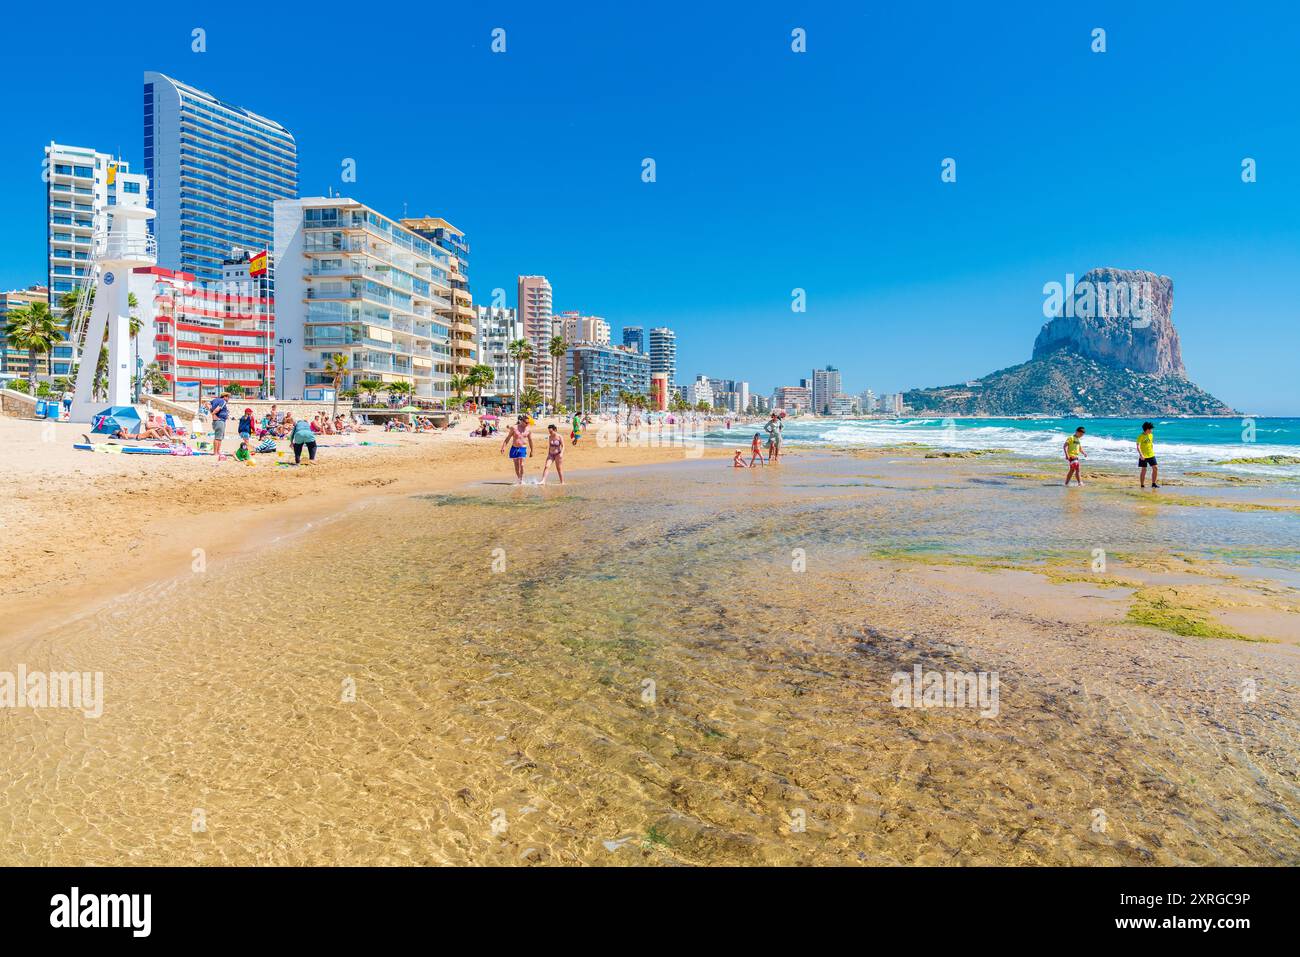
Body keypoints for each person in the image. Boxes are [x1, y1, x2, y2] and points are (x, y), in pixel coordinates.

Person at [501, 414, 534, 484]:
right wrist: (503, 447)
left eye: (528, 423)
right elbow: (508, 437)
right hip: (514, 448)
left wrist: (532, 450)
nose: (527, 424)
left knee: (521, 465)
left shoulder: (528, 430)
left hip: (523, 448)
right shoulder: (514, 428)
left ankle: (521, 480)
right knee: (516, 465)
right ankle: (519, 479)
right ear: (521, 421)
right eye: (526, 422)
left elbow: (530, 440)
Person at [208, 391, 230, 459]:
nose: (228, 399)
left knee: (219, 437)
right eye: (228, 397)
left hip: (218, 421)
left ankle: (218, 451)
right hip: (219, 421)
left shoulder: (215, 400)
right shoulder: (223, 401)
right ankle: (215, 452)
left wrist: (211, 410)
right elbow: (218, 409)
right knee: (218, 437)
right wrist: (213, 413)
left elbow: (207, 403)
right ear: (225, 397)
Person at [1137, 421, 1159, 488]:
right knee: (1144, 470)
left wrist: (1152, 450)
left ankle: (1153, 484)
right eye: (1150, 429)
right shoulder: (1140, 436)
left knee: (1155, 468)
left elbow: (1151, 444)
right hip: (1143, 456)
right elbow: (1138, 446)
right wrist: (1141, 455)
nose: (1151, 430)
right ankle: (1142, 485)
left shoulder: (1151, 435)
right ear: (1147, 429)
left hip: (1151, 455)